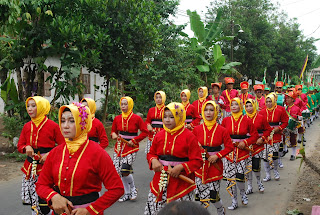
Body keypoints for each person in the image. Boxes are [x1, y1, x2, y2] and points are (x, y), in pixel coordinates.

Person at [36, 102, 124, 215]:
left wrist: (90, 210)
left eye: (72, 121)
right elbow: (41, 184)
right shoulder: (55, 153)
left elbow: (117, 188)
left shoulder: (97, 153)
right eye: (62, 121)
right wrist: (54, 196)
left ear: (83, 123)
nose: (65, 125)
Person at [144, 102, 203, 215]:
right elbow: (151, 153)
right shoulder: (159, 135)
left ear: (180, 117)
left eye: (171, 117)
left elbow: (198, 161)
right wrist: (154, 160)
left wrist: (181, 167)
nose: (167, 120)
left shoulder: (189, 136)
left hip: (181, 184)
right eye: (165, 117)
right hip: (159, 182)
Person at [17, 96, 65, 215]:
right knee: (35, 201)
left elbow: (64, 145)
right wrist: (26, 147)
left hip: (47, 168)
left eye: (34, 106)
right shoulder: (27, 126)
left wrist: (50, 154)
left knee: (47, 201)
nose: (30, 109)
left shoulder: (53, 126)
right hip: (30, 169)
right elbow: (20, 145)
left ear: (42, 108)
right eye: (28, 106)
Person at [193, 101, 234, 214]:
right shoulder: (196, 129)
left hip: (215, 166)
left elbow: (229, 147)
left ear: (216, 112)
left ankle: (220, 210)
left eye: (211, 110)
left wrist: (217, 155)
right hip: (200, 167)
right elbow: (191, 147)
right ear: (202, 112)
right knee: (201, 196)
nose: (208, 112)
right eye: (206, 110)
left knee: (213, 195)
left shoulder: (222, 130)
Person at [221, 98, 258, 210]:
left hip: (242, 152)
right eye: (232, 104)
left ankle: (243, 194)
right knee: (230, 178)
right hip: (229, 153)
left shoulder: (246, 120)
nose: (233, 106)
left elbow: (255, 135)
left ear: (240, 106)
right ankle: (233, 200)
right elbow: (220, 134)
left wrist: (245, 142)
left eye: (236, 104)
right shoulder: (226, 120)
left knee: (240, 176)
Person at [111, 96, 148, 202]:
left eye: (125, 104)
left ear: (130, 105)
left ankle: (133, 189)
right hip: (119, 147)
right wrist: (113, 134)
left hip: (131, 147)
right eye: (122, 104)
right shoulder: (117, 118)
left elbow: (145, 132)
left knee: (125, 169)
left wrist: (135, 140)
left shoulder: (137, 118)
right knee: (119, 171)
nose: (123, 106)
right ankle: (127, 193)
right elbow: (113, 131)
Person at [244, 99, 272, 195]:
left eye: (250, 106)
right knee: (247, 167)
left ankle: (259, 183)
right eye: (246, 106)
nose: (249, 108)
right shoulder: (243, 119)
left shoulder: (261, 117)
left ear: (254, 105)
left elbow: (268, 129)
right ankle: (249, 186)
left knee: (256, 165)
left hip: (257, 144)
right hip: (246, 146)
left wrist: (263, 138)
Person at [259, 94, 288, 181]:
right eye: (267, 102)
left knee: (275, 155)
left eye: (270, 101)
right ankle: (268, 174)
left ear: (274, 101)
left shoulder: (280, 110)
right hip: (265, 136)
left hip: (276, 135)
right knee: (265, 156)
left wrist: (278, 128)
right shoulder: (262, 112)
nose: (268, 103)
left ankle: (275, 171)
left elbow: (285, 121)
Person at [284, 91, 302, 161]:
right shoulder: (285, 108)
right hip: (286, 126)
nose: (287, 99)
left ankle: (293, 154)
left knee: (293, 140)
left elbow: (300, 118)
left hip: (293, 127)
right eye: (287, 98)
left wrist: (299, 122)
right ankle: (285, 150)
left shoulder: (297, 108)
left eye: (288, 98)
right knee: (284, 138)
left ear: (292, 99)